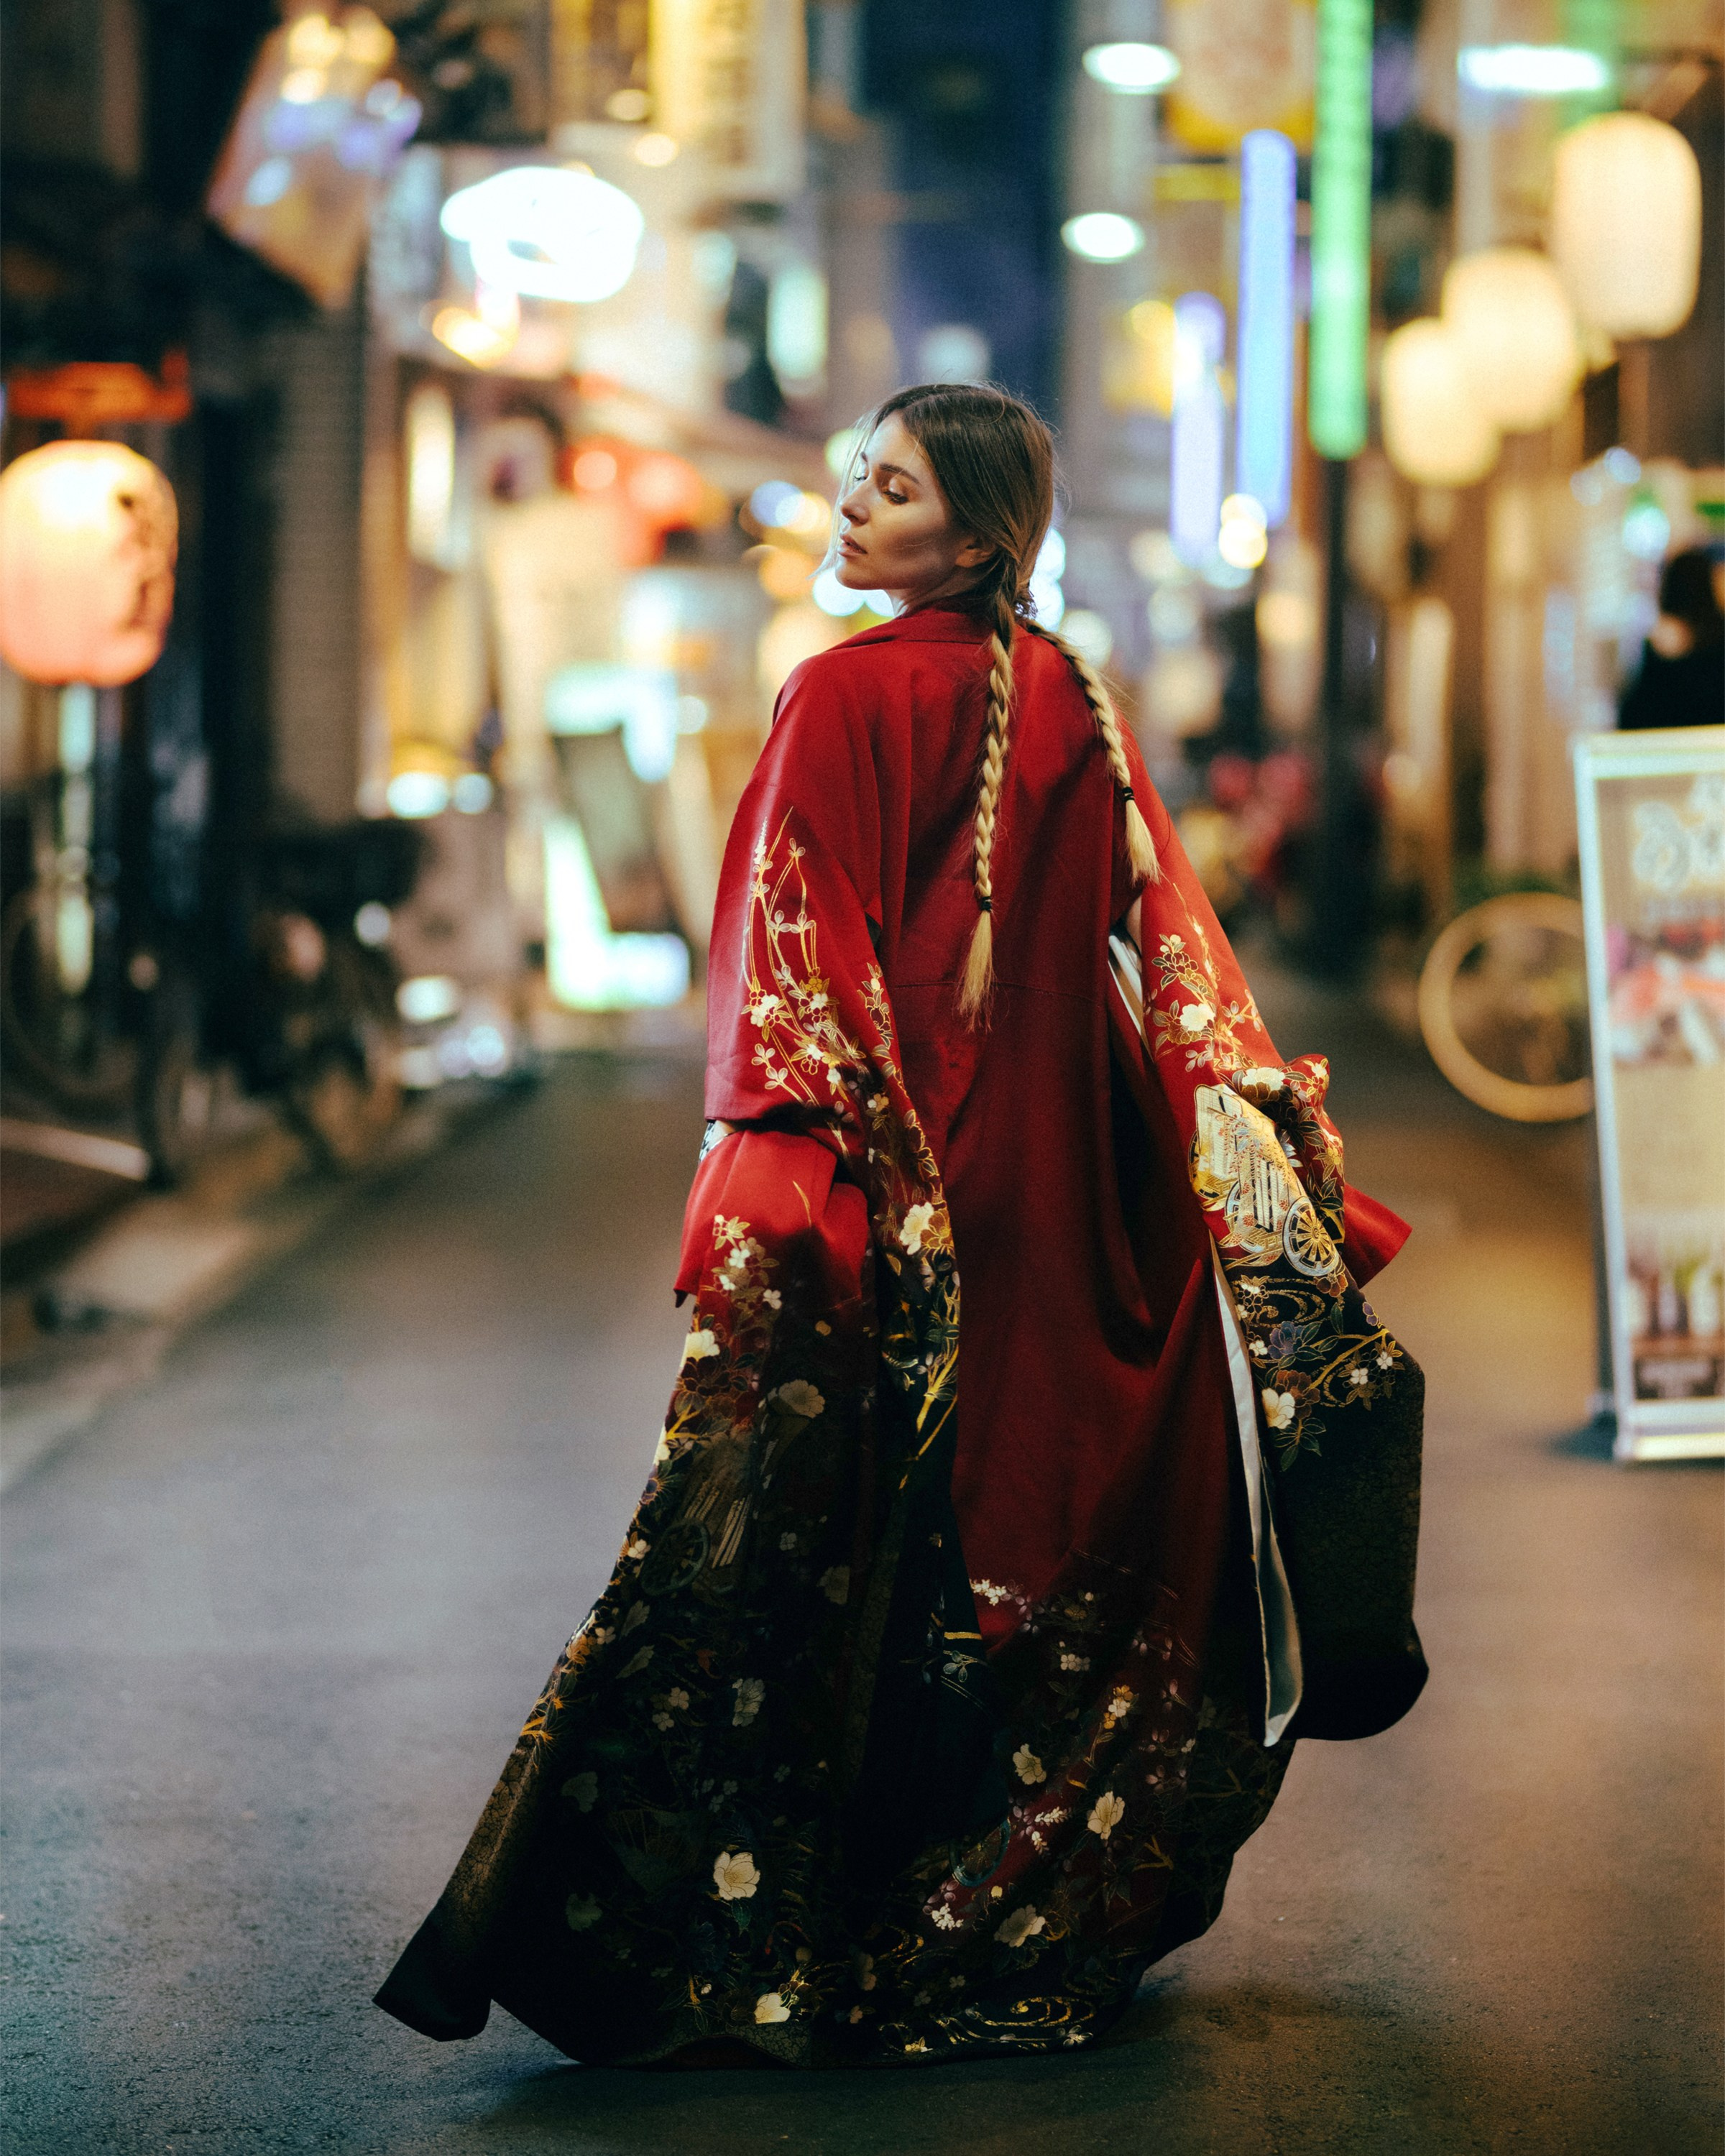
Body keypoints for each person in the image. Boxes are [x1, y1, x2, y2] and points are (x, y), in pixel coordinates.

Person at [375, 384, 1426, 2068]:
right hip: (1089, 1178)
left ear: (977, 530)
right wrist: (1263, 1179)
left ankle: (812, 1931)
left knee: (847, 1540)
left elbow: (792, 965)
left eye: (889, 487)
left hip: (919, 1166)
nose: (850, 510)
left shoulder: (838, 695)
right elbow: (1175, 963)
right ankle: (1015, 1918)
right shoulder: (1074, 693)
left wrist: (779, 1168)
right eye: (852, 480)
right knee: (1059, 1527)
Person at [1619, 547, 1725, 730]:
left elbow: (1633, 712)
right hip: (1713, 748)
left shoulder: (1657, 641)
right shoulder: (1719, 638)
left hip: (1664, 748)